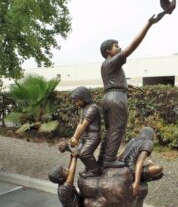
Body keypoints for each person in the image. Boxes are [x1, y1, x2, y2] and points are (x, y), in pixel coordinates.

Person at [98, 10, 171, 168]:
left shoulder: (105, 66)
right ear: (108, 51)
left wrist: (127, 86)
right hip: (117, 98)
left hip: (108, 97)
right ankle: (110, 160)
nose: (119, 47)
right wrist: (148, 25)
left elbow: (113, 82)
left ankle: (103, 159)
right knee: (117, 129)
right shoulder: (112, 60)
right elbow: (132, 47)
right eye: (116, 46)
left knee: (110, 130)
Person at [59, 86, 101, 178]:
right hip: (84, 137)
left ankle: (96, 171)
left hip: (92, 136)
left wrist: (76, 138)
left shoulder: (93, 108)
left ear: (84, 98)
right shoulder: (84, 109)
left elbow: (84, 125)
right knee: (78, 152)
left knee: (84, 153)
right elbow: (79, 124)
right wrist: (74, 137)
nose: (76, 103)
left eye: (77, 101)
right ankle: (89, 169)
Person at [118, 127, 163, 196]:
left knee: (149, 164)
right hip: (131, 171)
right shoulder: (148, 142)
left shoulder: (133, 139)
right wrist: (137, 182)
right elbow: (139, 161)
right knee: (159, 168)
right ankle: (143, 179)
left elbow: (121, 154)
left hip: (121, 167)